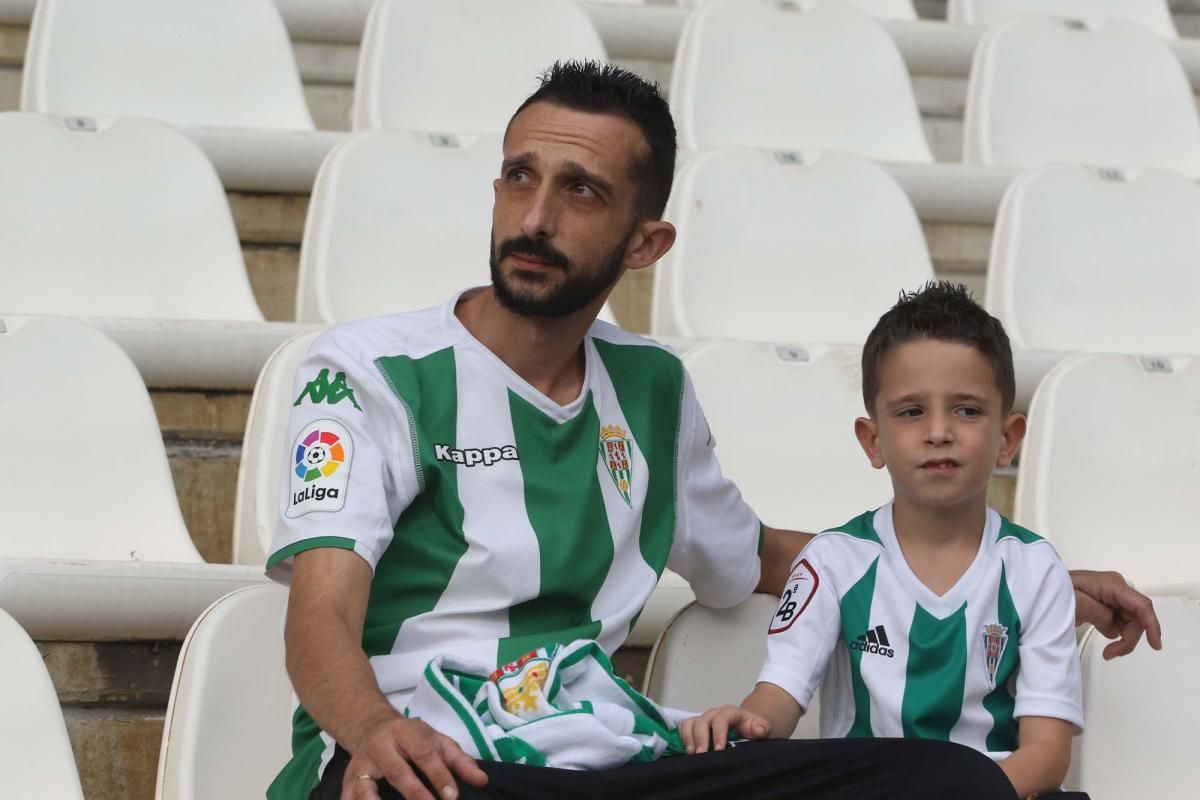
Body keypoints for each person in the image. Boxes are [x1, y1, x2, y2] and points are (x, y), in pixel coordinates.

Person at [265, 61, 1160, 800]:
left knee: (949, 780)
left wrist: (1010, 569)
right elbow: (320, 611)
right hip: (428, 765)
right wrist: (376, 730)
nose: (536, 217)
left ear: (645, 244)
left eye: (581, 191)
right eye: (521, 177)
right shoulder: (370, 371)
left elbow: (763, 558)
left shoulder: (651, 390)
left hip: (610, 762)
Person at [680, 283, 1087, 798]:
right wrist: (745, 720)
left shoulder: (1036, 570)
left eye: (967, 410)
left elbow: (1047, 754)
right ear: (873, 441)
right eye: (911, 412)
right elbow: (778, 696)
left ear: (1008, 439)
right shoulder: (833, 561)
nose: (939, 431)